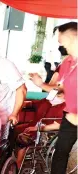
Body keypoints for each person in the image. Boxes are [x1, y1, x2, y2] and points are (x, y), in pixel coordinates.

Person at [29, 22, 77, 174]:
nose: (60, 44)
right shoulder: (67, 62)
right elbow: (59, 89)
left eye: (62, 40)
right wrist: (40, 84)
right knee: (60, 154)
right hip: (70, 116)